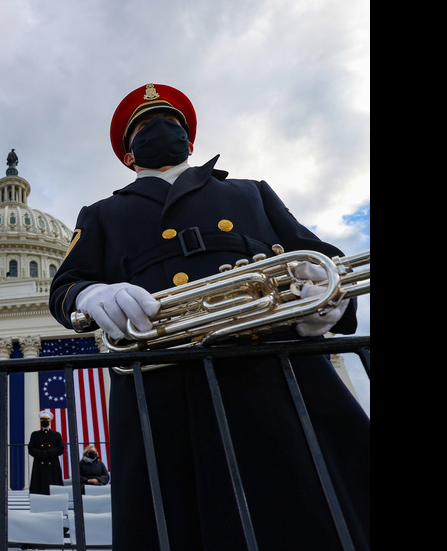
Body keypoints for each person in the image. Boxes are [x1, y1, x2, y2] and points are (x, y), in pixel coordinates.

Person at [48, 83, 369, 550]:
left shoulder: (251, 193)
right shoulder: (102, 214)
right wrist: (90, 292)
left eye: (171, 121)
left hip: (275, 374)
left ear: (189, 139)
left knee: (311, 516)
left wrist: (328, 300)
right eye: (143, 126)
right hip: (163, 390)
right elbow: (65, 286)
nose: (159, 129)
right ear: (128, 154)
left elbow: (320, 258)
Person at [27, 410, 64, 495]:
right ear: (40, 421)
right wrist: (41, 454)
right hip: (39, 463)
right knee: (39, 487)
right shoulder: (35, 434)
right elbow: (31, 448)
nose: (45, 422)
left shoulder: (56, 435)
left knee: (54, 487)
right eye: (43, 420)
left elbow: (60, 449)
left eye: (46, 420)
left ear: (50, 421)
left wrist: (48, 453)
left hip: (53, 464)